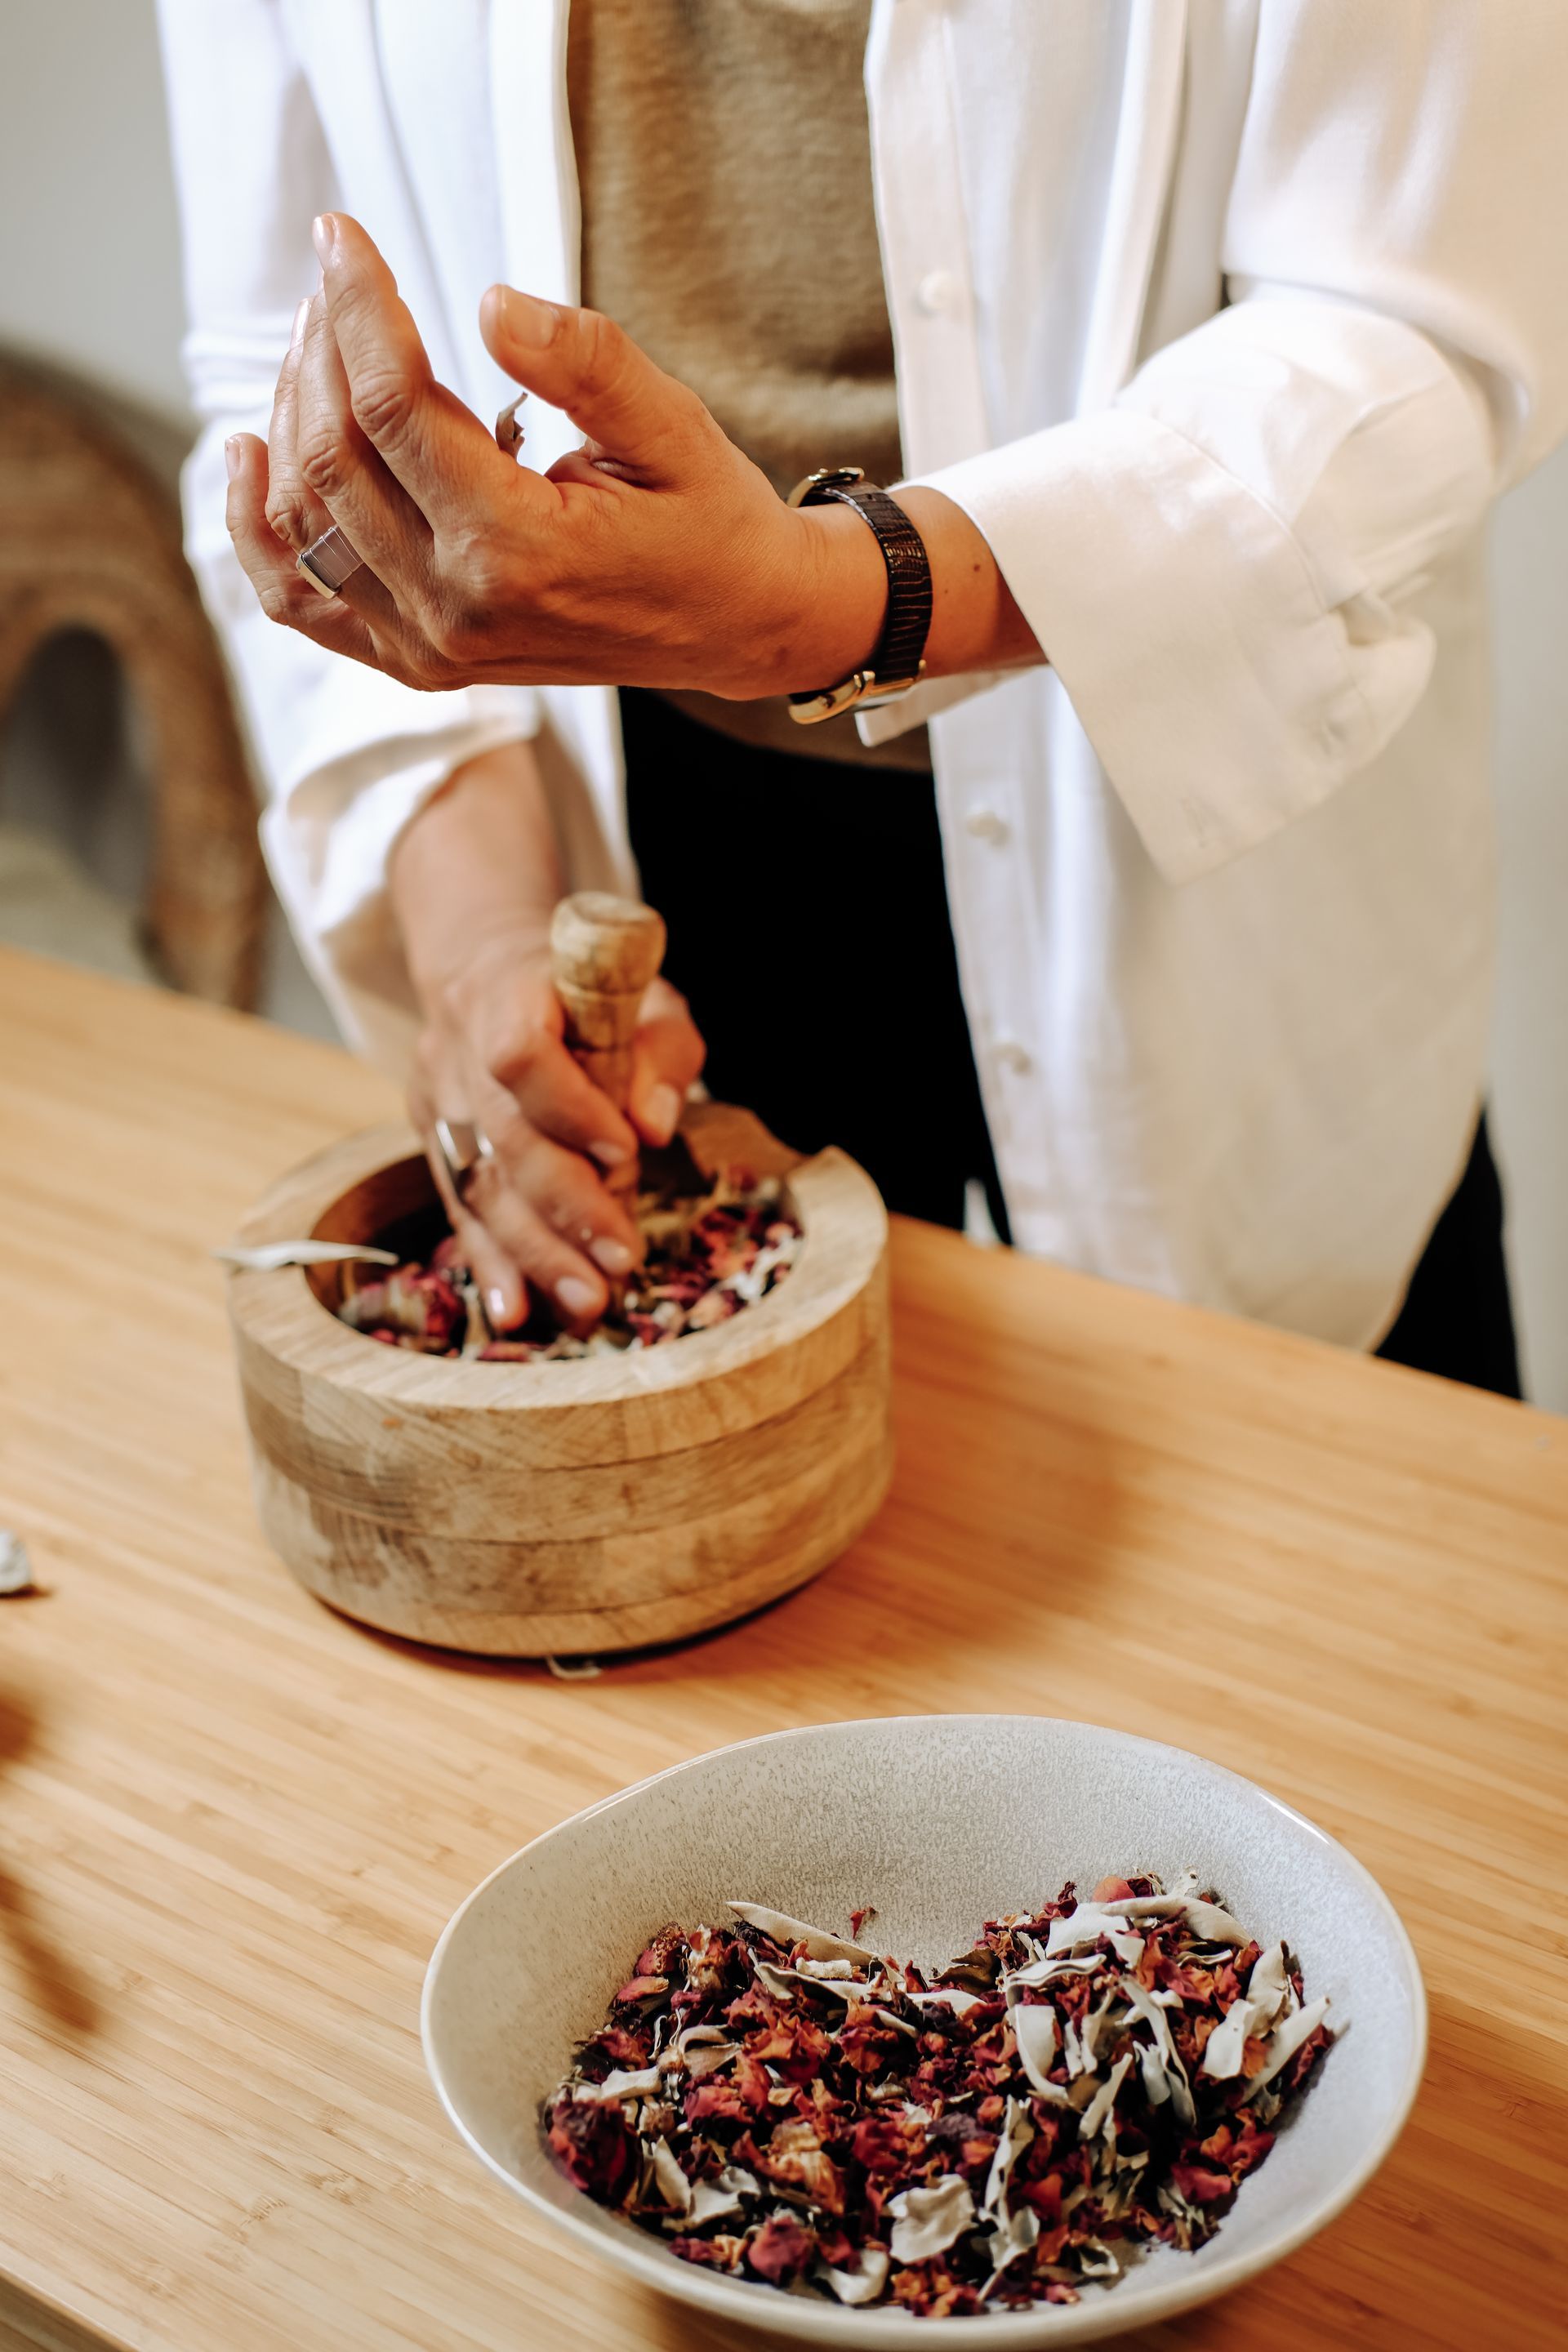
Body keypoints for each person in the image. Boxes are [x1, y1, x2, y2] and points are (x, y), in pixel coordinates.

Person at [157, 2, 1566, 1393]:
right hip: (637, 838)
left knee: (1321, 1549)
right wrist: (476, 934)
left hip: (1196, 819)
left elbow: (1410, 318)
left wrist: (830, 600)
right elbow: (279, 356)